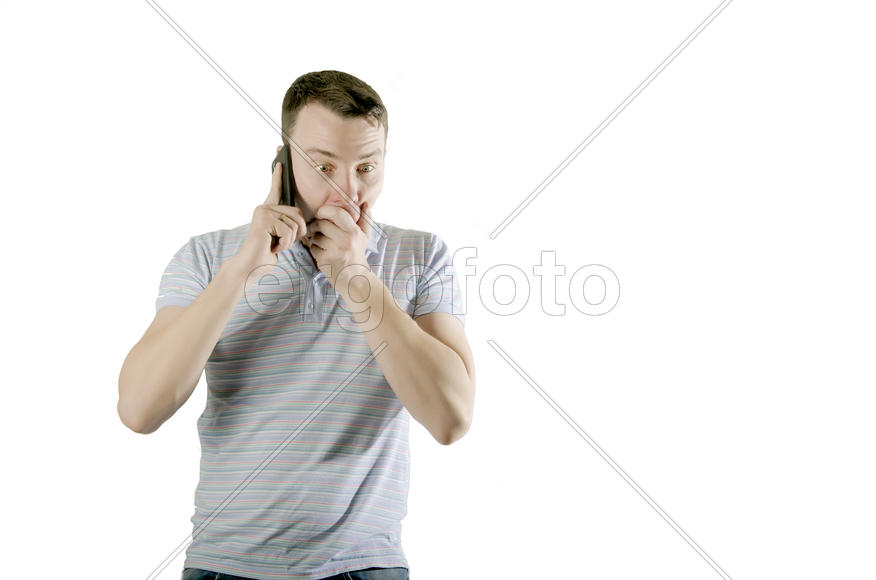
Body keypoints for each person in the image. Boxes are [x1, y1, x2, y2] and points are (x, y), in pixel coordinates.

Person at [117, 70, 476, 580]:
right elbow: (138, 410)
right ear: (282, 165)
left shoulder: (420, 255)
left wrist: (356, 279)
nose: (348, 193)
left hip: (364, 568)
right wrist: (241, 271)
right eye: (324, 166)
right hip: (224, 567)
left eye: (367, 168)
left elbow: (451, 418)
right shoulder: (206, 257)